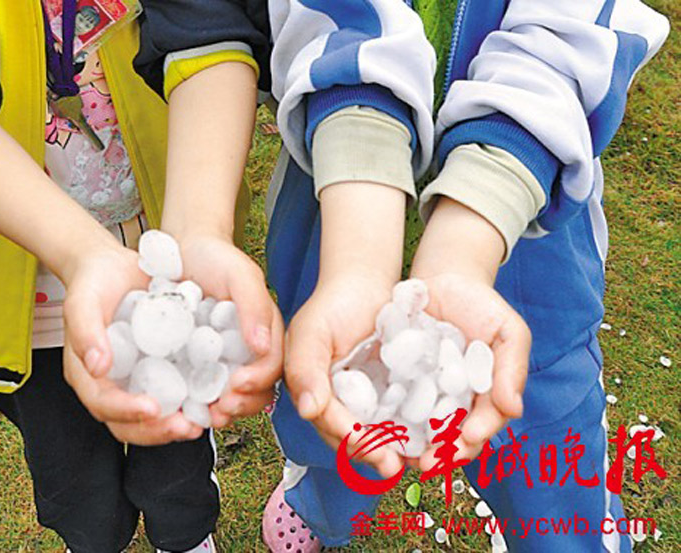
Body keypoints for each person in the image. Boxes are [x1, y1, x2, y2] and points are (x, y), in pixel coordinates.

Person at [260, 0, 669, 552]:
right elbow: (332, 18)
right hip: (332, 213)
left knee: (544, 435)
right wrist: (357, 260)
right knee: (334, 399)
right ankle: (323, 508)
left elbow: (571, 37)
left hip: (527, 227)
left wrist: (468, 237)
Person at [0, 1, 281, 552]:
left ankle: (185, 535)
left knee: (177, 447)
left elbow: (208, 20)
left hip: (159, 242)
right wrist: (80, 254)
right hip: (11, 280)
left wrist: (200, 233)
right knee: (68, 469)